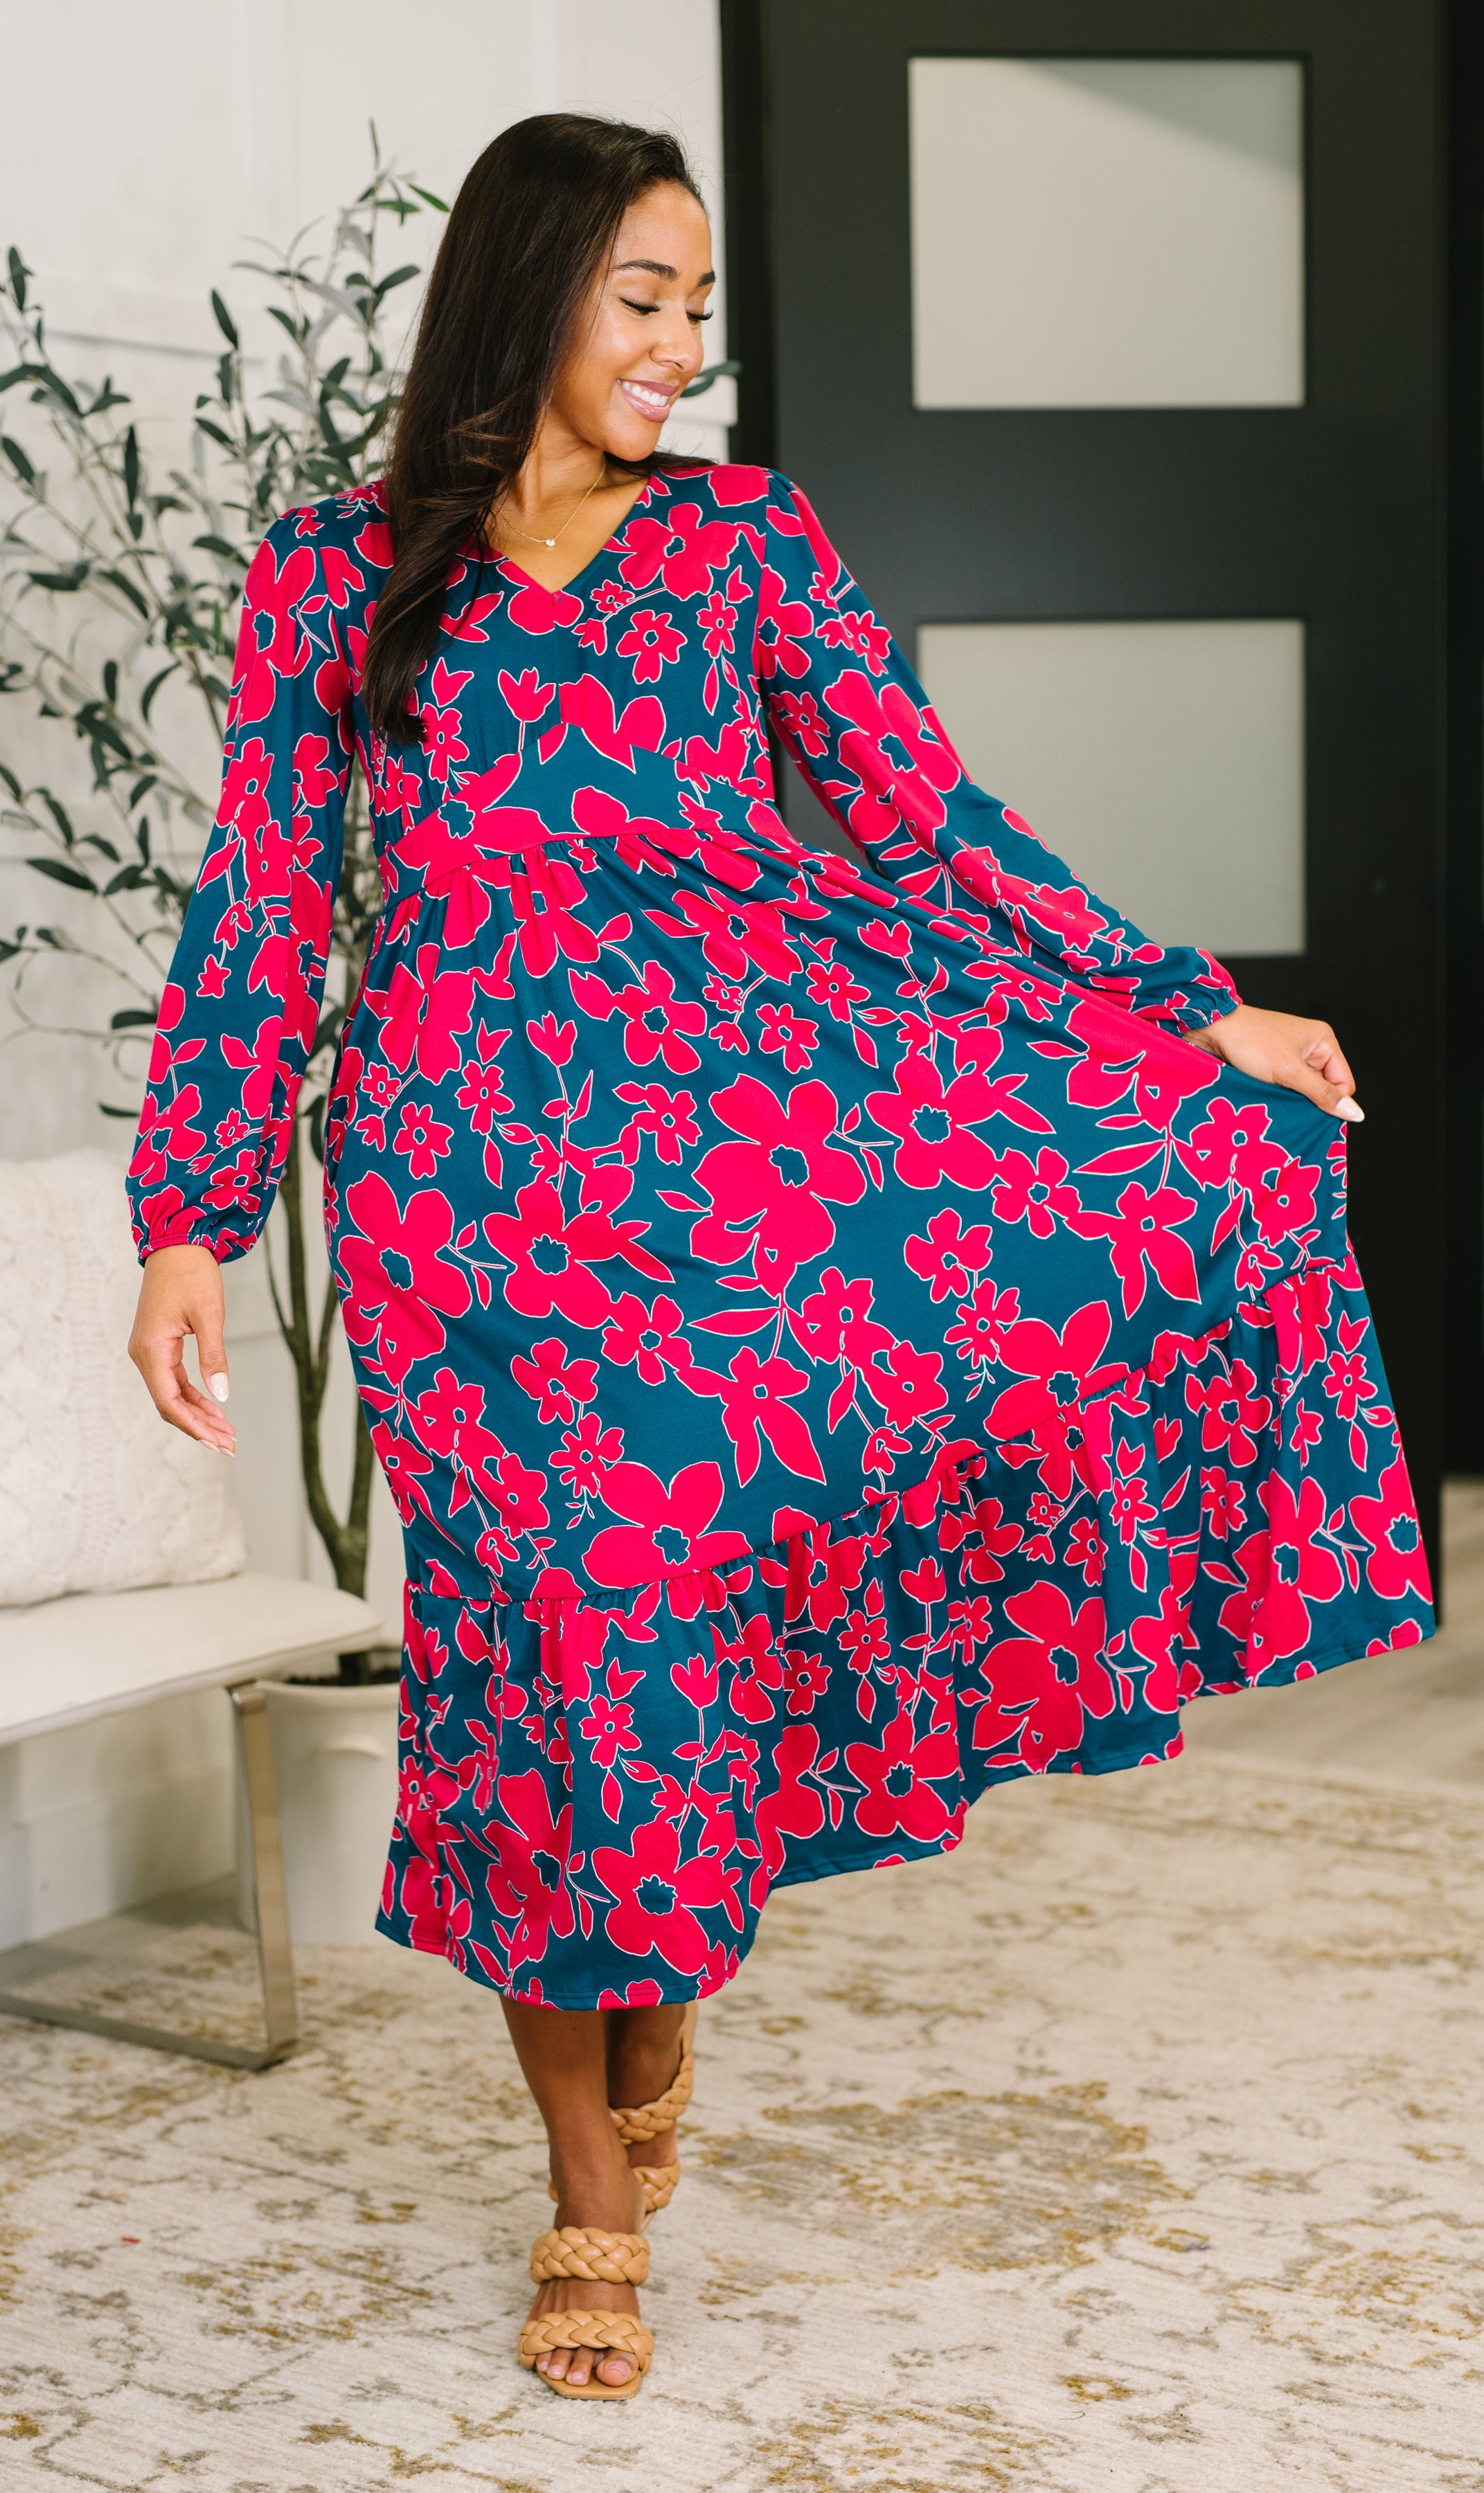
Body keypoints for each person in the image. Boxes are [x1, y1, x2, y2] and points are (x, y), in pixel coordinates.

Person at [126, 114, 1433, 2400]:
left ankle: (649, 2019)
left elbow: (919, 825)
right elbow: (261, 898)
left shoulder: (738, 539)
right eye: (641, 296)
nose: (677, 345)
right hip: (458, 1195)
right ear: (528, 285)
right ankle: (587, 2188)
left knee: (673, 1639)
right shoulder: (336, 568)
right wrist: (186, 1222)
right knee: (541, 1663)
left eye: (697, 307)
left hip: (732, 1165)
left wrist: (1173, 1007)